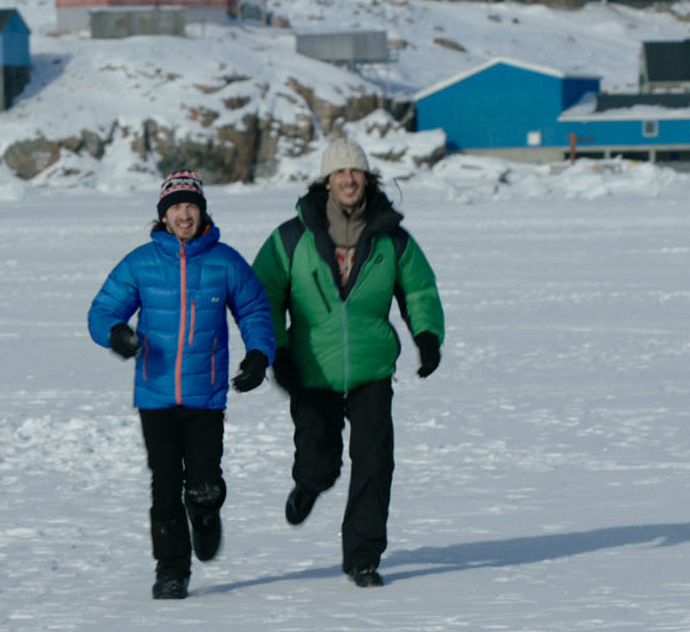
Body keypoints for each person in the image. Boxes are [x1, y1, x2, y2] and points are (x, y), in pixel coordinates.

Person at [251, 139, 445, 589]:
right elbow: (263, 294)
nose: (349, 180)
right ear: (327, 181)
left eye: (355, 172)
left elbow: (419, 290)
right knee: (320, 459)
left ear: (367, 177)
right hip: (310, 366)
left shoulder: (391, 237)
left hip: (371, 367)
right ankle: (309, 484)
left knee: (374, 460)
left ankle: (363, 557)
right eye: (340, 173)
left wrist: (427, 336)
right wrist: (275, 351)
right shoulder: (291, 237)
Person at [88, 170, 276, 600]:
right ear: (164, 215)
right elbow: (101, 311)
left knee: (204, 483)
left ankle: (206, 513)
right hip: (154, 394)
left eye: (191, 206)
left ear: (202, 211)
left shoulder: (225, 261)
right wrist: (117, 334)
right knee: (165, 484)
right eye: (176, 207)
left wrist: (259, 354)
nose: (184, 214)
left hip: (206, 394)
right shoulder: (140, 262)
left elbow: (255, 311)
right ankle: (172, 570)